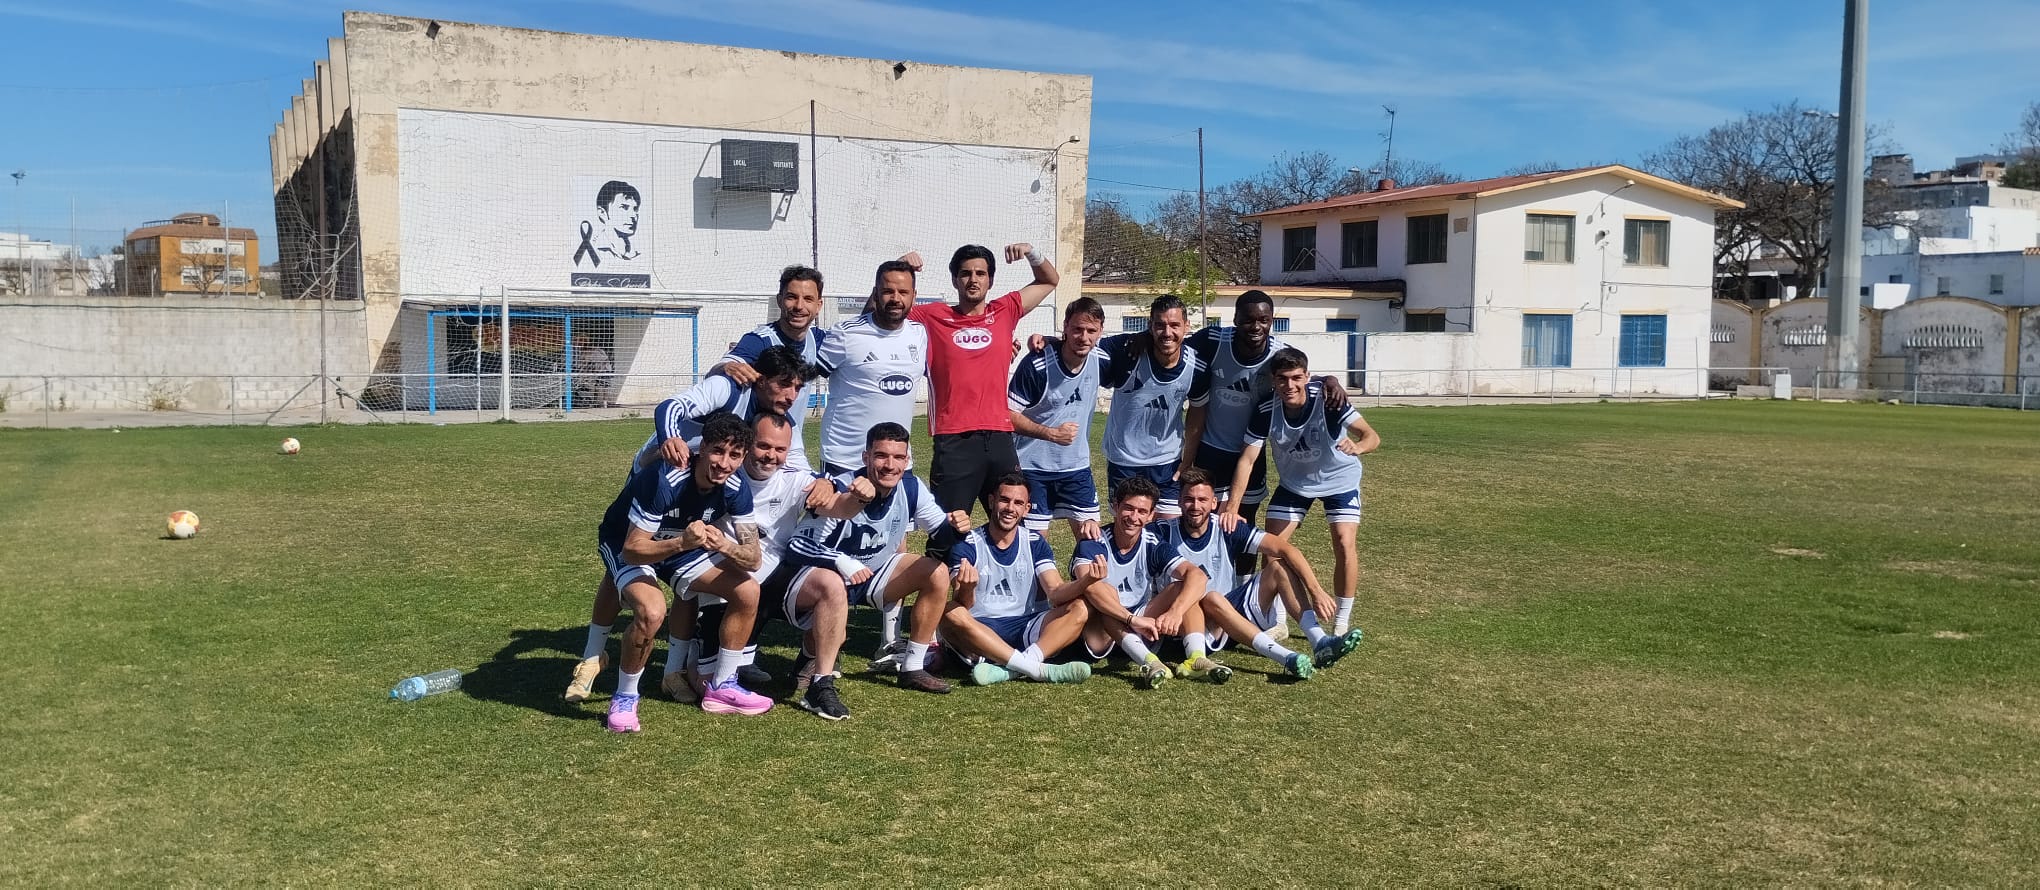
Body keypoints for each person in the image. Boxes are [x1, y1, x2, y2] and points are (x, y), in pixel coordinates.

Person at [592, 414, 770, 733]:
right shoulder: (667, 477)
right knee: (651, 611)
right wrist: (681, 543)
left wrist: (725, 546)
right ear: (702, 448)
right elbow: (634, 549)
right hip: (625, 540)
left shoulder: (736, 487)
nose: (723, 463)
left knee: (748, 590)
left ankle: (722, 685)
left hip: (680, 543)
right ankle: (625, 698)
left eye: (734, 455)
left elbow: (754, 558)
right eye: (717, 451)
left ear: (743, 457)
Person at [895, 243, 1059, 556]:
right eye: (966, 273)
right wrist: (900, 267)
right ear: (955, 280)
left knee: (1013, 527)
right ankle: (941, 602)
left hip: (1000, 439)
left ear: (990, 280)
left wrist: (1030, 252)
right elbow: (882, 308)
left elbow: (1049, 280)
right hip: (954, 441)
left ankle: (1017, 601)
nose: (973, 279)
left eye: (980, 273)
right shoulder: (931, 317)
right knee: (946, 533)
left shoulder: (1005, 310)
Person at [786, 422, 973, 694]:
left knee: (937, 572)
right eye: (881, 456)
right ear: (866, 457)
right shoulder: (840, 488)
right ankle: (808, 656)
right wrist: (842, 562)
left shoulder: (911, 486)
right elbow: (797, 546)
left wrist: (956, 529)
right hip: (827, 579)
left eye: (898, 457)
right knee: (835, 634)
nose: (890, 465)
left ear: (907, 460)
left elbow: (940, 533)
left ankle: (912, 667)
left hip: (874, 573)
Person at [1225, 348, 1382, 637]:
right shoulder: (1265, 410)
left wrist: (1358, 447)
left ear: (1307, 377)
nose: (1290, 385)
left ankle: (1341, 622)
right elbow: (1247, 459)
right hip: (1295, 485)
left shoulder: (1329, 400)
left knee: (1344, 543)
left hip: (1340, 480)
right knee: (1272, 547)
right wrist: (1233, 505)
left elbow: (1372, 436)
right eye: (1282, 379)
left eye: (1297, 378)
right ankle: (1279, 620)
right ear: (1273, 381)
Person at [1164, 469, 1359, 674]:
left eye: (1202, 500)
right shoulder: (1162, 531)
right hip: (1189, 626)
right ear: (1178, 501)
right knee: (1211, 597)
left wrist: (1316, 591)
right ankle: (1286, 657)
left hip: (1230, 619)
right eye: (1189, 499)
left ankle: (1320, 641)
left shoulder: (1227, 528)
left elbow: (1286, 549)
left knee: (1278, 567)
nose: (1195, 506)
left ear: (1214, 503)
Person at [938, 473, 1096, 687]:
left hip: (1027, 625)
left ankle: (1010, 669)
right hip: (981, 628)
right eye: (1004, 500)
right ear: (992, 501)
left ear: (1027, 509)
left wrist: (1084, 582)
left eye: (1018, 503)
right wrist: (967, 588)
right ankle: (1036, 669)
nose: (1010, 508)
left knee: (1081, 607)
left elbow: (1055, 591)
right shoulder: (968, 543)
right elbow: (963, 604)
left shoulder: (1034, 542)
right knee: (950, 612)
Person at [1068, 476, 1208, 690]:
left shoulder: (1153, 544)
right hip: (1102, 632)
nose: (1134, 517)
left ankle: (1197, 659)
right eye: (1128, 508)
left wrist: (1176, 612)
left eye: (1142, 512)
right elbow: (1090, 587)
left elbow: (1197, 576)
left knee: (1184, 588)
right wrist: (1131, 619)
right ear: (1115, 507)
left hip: (1142, 625)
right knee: (1104, 594)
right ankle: (1150, 663)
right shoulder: (1093, 542)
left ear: (1151, 515)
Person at [705, 265, 829, 471]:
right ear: (780, 300)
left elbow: (861, 330)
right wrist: (728, 365)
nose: (799, 306)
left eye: (808, 299)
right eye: (791, 297)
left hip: (786, 449)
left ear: (819, 305)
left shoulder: (819, 341)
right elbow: (724, 367)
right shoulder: (759, 341)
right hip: (744, 455)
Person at [812, 261, 929, 476]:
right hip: (845, 460)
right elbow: (803, 377)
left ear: (914, 295)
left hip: (897, 462)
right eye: (887, 291)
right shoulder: (846, 334)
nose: (896, 299)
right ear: (875, 294)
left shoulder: (920, 335)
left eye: (903, 292)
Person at [1009, 297, 1109, 541]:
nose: (1083, 337)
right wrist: (1051, 433)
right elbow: (1007, 415)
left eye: (1090, 331)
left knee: (1092, 541)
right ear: (1065, 327)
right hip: (1032, 468)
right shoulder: (1037, 364)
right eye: (1077, 329)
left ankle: (1084, 581)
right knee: (1033, 546)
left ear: (1100, 332)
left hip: (1076, 469)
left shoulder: (1102, 359)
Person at [634, 344, 813, 472]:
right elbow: (670, 407)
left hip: (704, 475)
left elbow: (798, 464)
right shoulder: (728, 388)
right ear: (762, 380)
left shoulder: (783, 420)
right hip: (657, 463)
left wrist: (821, 484)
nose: (792, 396)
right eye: (784, 384)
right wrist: (671, 438)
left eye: (797, 388)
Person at [1099, 295, 1197, 520]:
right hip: (1124, 459)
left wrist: (1187, 461)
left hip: (1167, 462)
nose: (1167, 332)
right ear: (1150, 326)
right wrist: (1048, 341)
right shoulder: (1128, 350)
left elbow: (1198, 413)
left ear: (1186, 326)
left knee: (1169, 532)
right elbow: (1084, 344)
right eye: (1159, 325)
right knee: (1129, 530)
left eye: (1174, 325)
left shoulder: (1195, 363)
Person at [570, 332, 613, 409]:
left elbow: (586, 363)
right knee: (597, 386)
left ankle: (604, 403)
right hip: (598, 371)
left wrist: (584, 370)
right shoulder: (584, 352)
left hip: (604, 370)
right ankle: (596, 402)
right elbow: (584, 364)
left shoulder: (592, 351)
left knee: (604, 386)